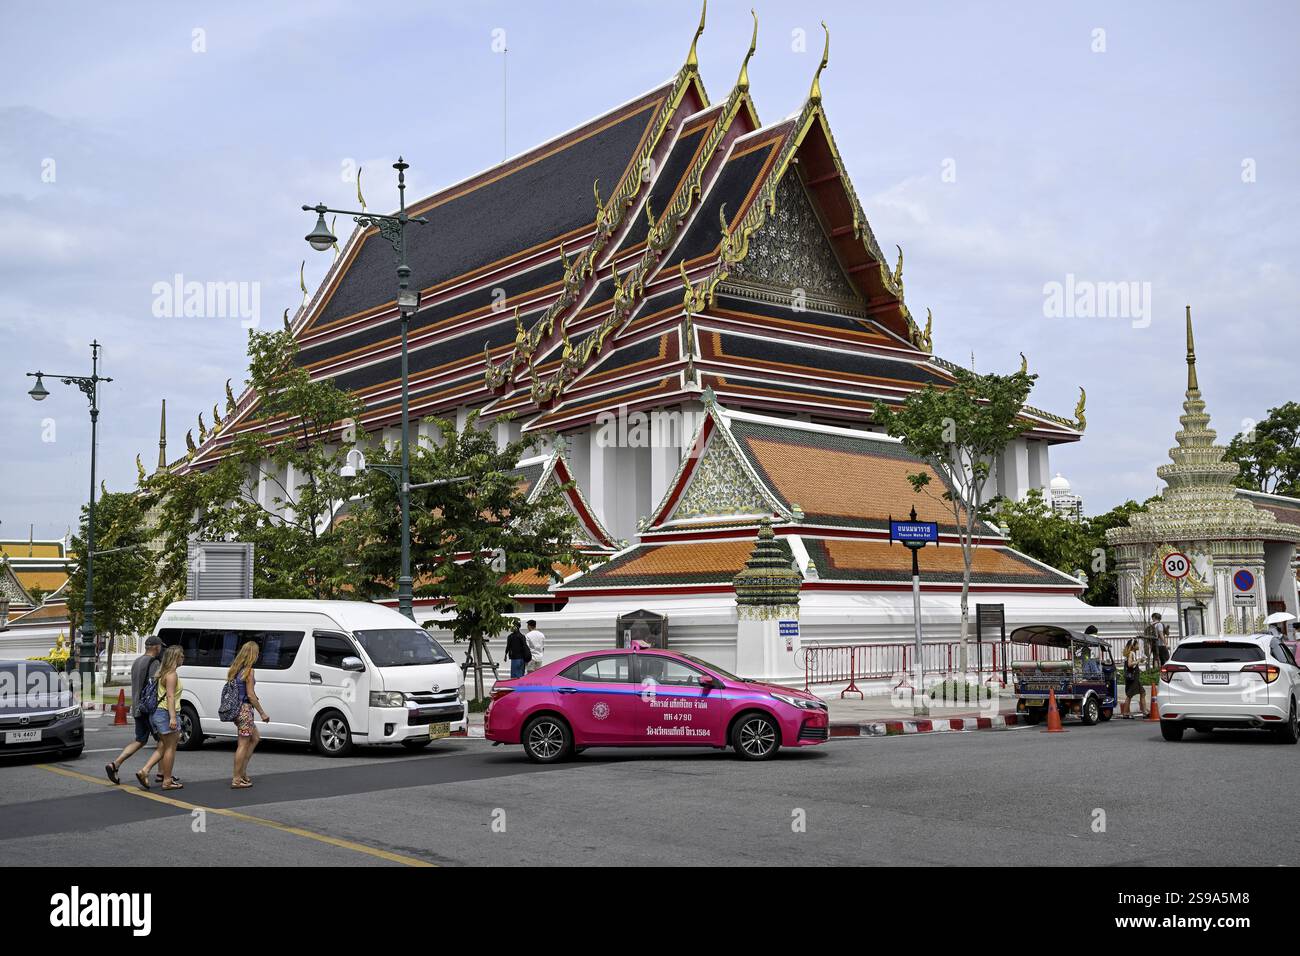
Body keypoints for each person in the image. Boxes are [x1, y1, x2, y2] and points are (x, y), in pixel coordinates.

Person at [105, 635, 163, 786]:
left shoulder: (137, 661)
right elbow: (153, 685)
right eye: (160, 647)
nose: (161, 649)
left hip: (137, 706)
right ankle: (160, 773)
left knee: (140, 740)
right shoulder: (154, 662)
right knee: (164, 741)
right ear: (156, 647)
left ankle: (115, 764)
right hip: (148, 709)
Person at [137, 645, 184, 790]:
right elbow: (170, 696)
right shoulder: (171, 675)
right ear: (175, 657)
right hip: (166, 713)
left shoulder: (163, 672)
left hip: (158, 713)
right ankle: (167, 780)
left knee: (163, 746)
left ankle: (145, 771)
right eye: (181, 656)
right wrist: (173, 718)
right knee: (170, 747)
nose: (183, 658)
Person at [227, 641, 269, 790]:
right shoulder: (249, 671)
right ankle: (237, 778)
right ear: (253, 654)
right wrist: (262, 713)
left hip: (237, 710)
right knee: (243, 744)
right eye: (257, 653)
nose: (258, 656)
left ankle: (242, 772)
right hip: (245, 710)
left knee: (255, 737)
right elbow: (250, 695)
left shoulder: (236, 669)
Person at [1121, 637, 1146, 719]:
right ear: (1133, 646)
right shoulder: (1131, 653)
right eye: (1137, 644)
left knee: (1142, 692)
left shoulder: (1132, 653)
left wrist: (1140, 660)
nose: (1138, 645)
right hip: (1133, 678)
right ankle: (1125, 713)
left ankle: (1144, 711)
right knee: (1129, 695)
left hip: (1135, 678)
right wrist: (1139, 661)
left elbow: (1132, 664)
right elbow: (1129, 664)